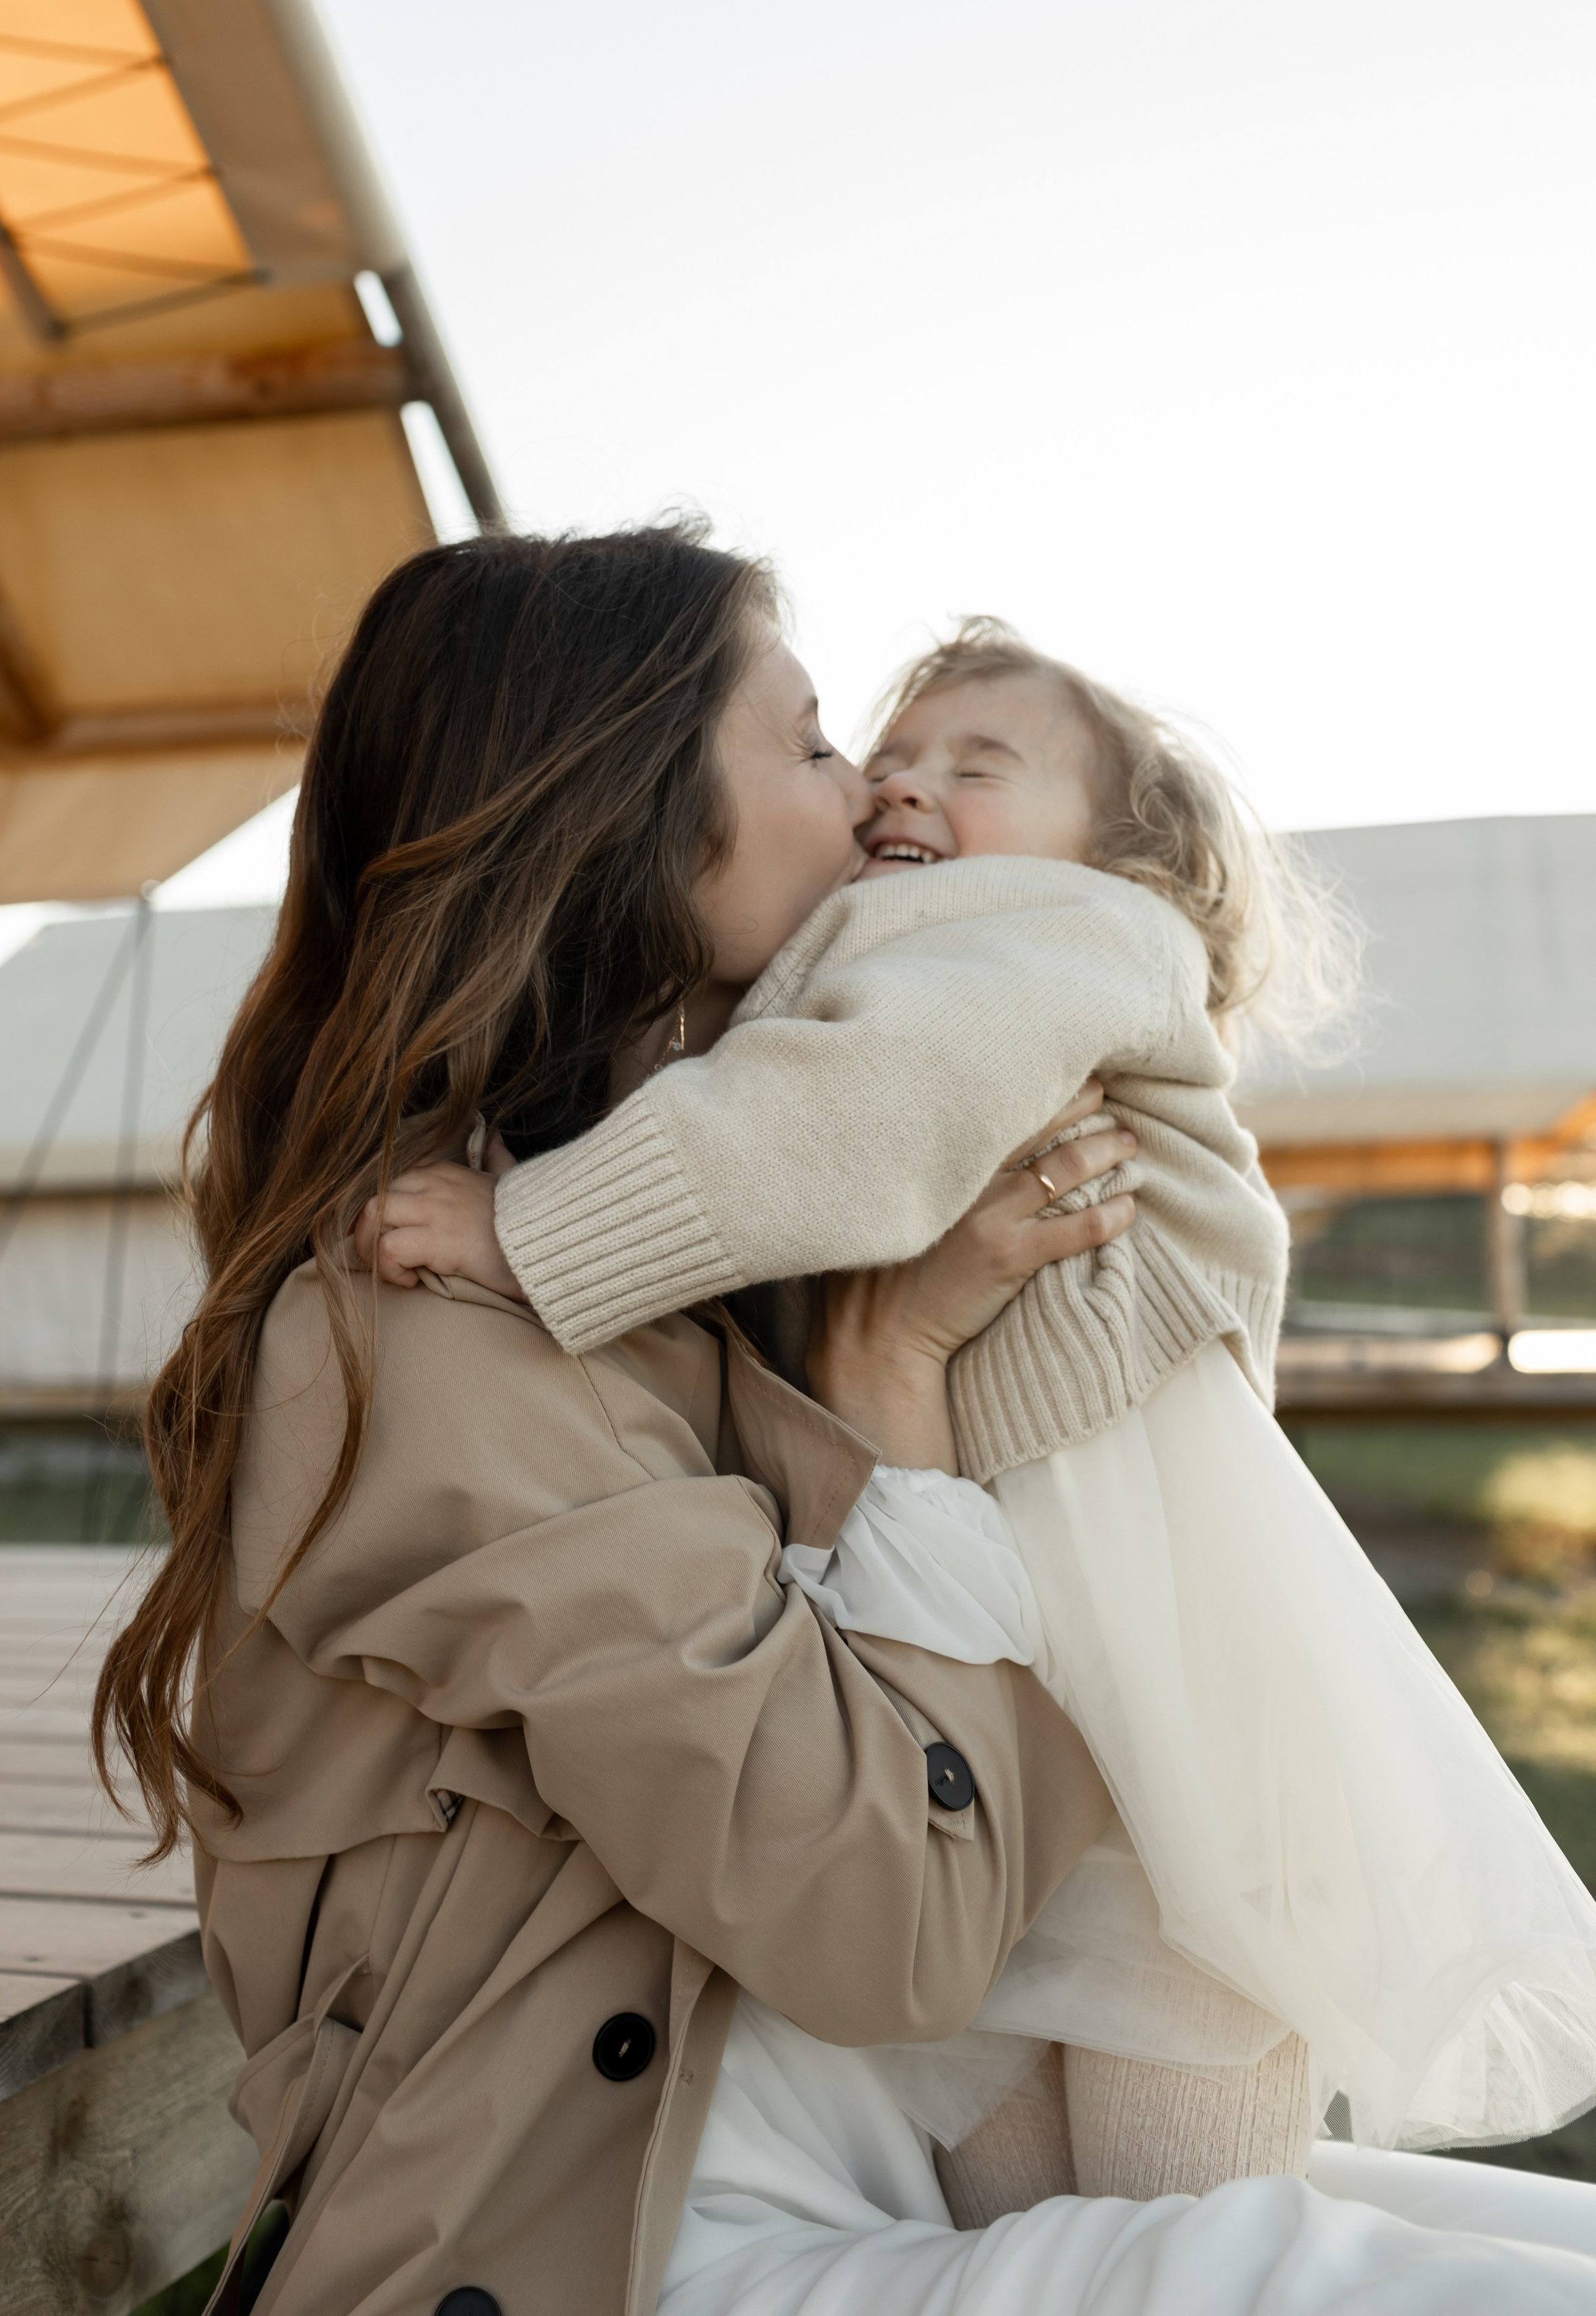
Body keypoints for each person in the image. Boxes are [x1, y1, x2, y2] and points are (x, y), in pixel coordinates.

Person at [361, 621, 1596, 2234]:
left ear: (1120, 846)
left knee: (1183, 2063)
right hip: (1006, 1613)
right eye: (885, 754)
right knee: (1002, 2096)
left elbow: (862, 1110)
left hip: (1131, 1600)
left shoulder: (1057, 933)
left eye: (977, 763)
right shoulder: (906, 949)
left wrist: (535, 1226)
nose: (902, 785)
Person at [90, 528, 1132, 2316]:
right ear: (630, 825)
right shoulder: (425, 1332)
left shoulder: (686, 1272)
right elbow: (900, 1921)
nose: (879, 798)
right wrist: (895, 1380)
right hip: (626, 2247)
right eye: (811, 746)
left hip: (837, 2177)